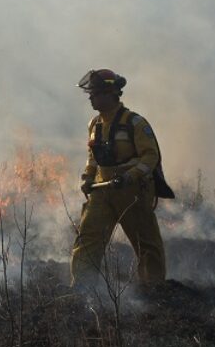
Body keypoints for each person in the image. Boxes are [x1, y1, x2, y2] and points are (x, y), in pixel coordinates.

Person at [70, 69, 167, 288]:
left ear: (109, 93)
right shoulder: (94, 125)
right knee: (88, 238)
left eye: (94, 93)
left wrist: (130, 177)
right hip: (102, 190)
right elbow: (93, 158)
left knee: (146, 243)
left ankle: (154, 291)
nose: (90, 98)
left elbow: (151, 156)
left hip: (132, 192)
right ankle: (82, 290)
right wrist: (87, 178)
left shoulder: (135, 123)